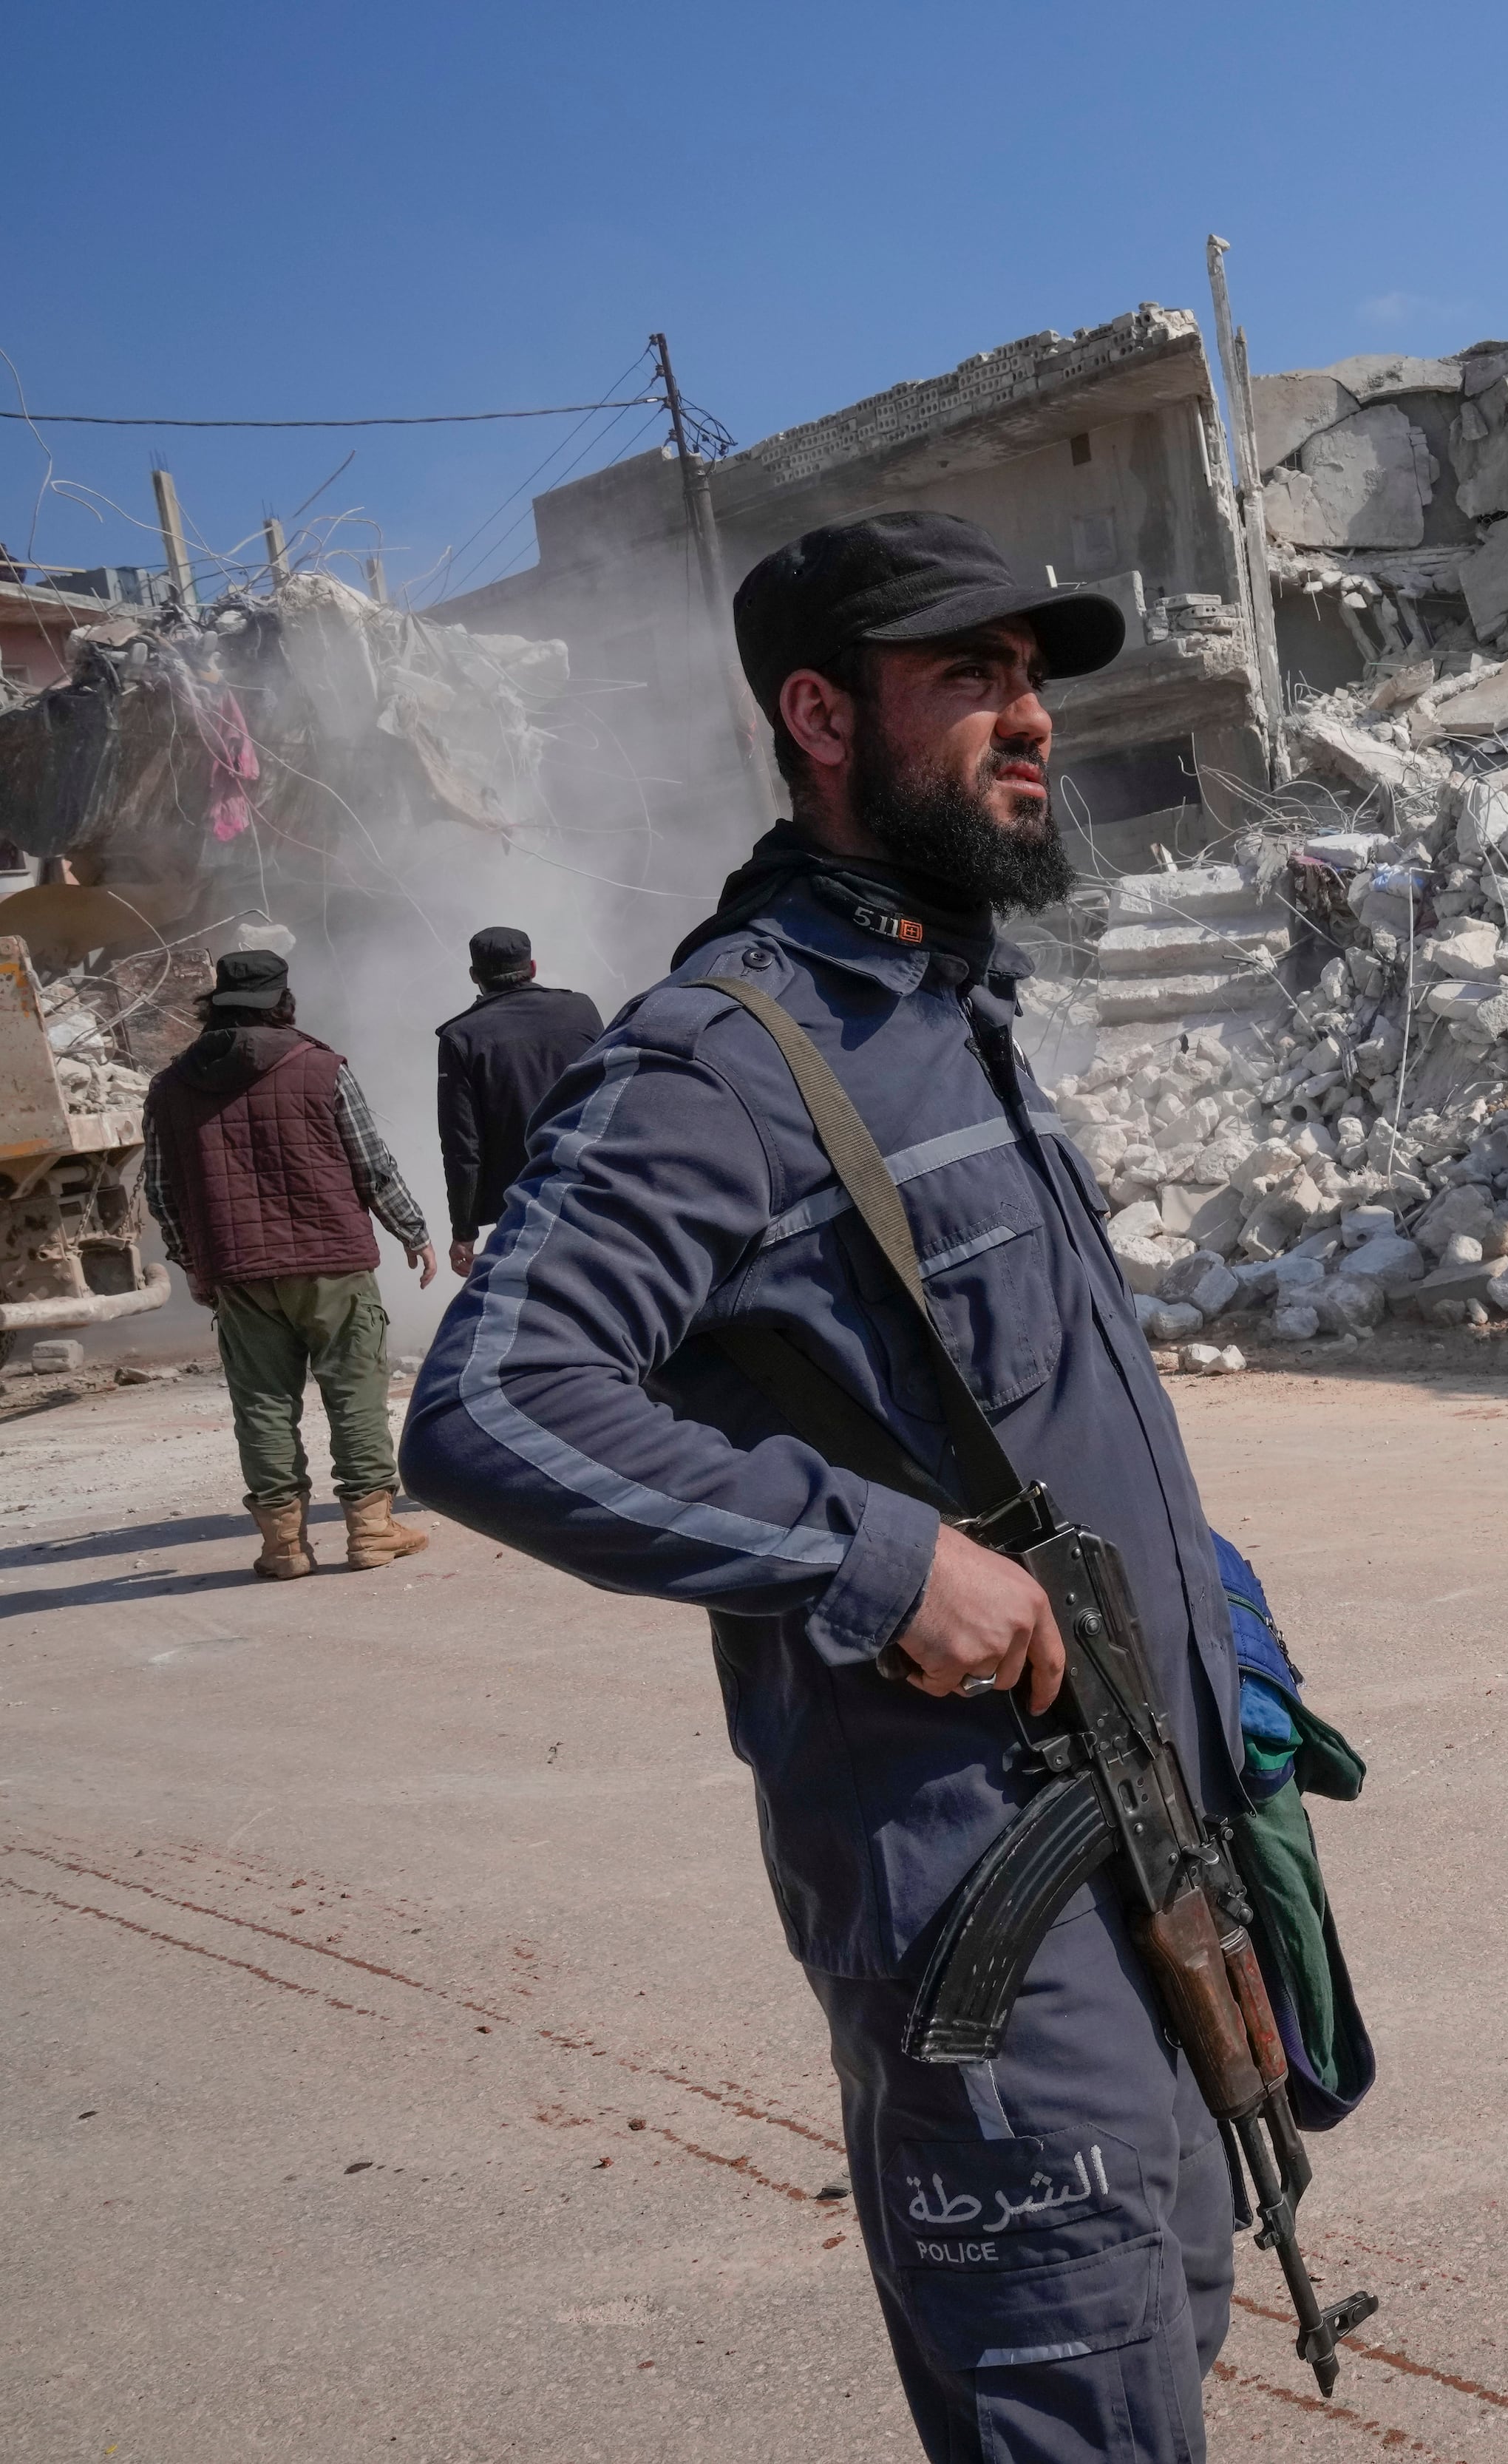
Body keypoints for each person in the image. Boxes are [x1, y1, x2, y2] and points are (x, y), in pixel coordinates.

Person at [401, 512, 1259, 2463]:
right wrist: (880, 1562)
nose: (1028, 717)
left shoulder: (943, 1011)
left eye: (1032, 677)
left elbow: (996, 1396)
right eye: (971, 676)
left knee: (1160, 2337)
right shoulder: (727, 1056)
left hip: (1145, 1846)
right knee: (1081, 2407)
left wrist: (1209, 1599)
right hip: (983, 1915)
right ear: (818, 714)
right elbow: (492, 1401)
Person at [141, 948, 439, 1579]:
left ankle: (283, 1546)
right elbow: (370, 1162)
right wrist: (412, 1229)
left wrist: (195, 1262)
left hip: (238, 1267)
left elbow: (162, 1190)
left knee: (263, 1402)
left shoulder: (169, 1087)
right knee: (354, 1389)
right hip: (331, 1257)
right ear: (282, 1002)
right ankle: (371, 1530)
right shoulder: (320, 1067)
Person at [435, 925, 603, 1266]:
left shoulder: (461, 1037)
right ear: (533, 968)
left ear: (473, 975)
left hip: (525, 1206)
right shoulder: (582, 1009)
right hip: (596, 1187)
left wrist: (464, 1231)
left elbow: (463, 1146)